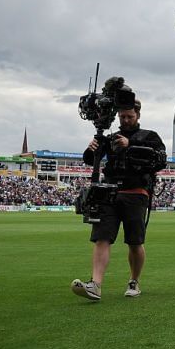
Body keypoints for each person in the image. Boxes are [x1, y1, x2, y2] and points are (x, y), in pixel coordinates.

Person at [71, 96, 166, 300]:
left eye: (129, 116)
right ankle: (95, 284)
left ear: (138, 115)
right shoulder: (111, 137)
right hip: (109, 193)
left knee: (134, 241)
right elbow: (89, 159)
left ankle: (134, 281)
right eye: (122, 116)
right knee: (101, 238)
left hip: (136, 193)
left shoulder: (150, 137)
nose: (125, 120)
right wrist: (92, 147)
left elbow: (160, 160)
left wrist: (130, 144)